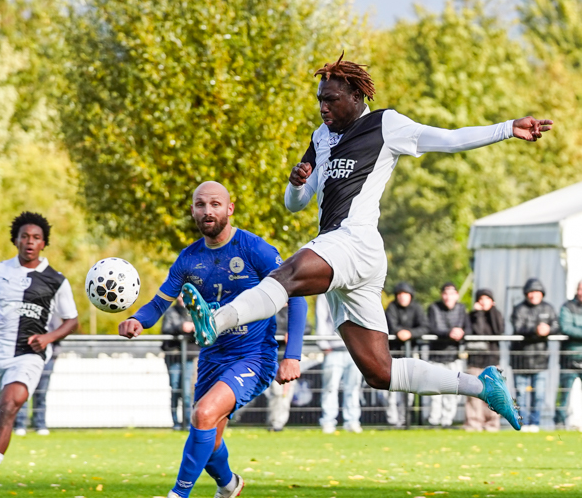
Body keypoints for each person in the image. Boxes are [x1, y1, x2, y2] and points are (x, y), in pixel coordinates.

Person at [183, 54, 552, 431]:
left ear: (357, 96)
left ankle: (218, 319)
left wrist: (508, 127)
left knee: (287, 275)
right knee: (380, 371)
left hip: (355, 241)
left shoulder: (386, 125)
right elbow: (295, 205)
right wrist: (295, 184)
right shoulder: (321, 137)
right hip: (341, 252)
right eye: (320, 100)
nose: (323, 108)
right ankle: (482, 386)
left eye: (331, 100)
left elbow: (450, 140)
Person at [118, 181, 307, 498]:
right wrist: (137, 321)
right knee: (210, 440)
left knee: (203, 414)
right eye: (200, 204)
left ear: (229, 209)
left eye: (215, 204)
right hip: (213, 357)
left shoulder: (255, 250)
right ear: (193, 210)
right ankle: (229, 485)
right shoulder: (189, 258)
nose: (208, 211)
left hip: (253, 355)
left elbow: (297, 295)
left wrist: (291, 355)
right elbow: (159, 303)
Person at [0, 212, 79, 496]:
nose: (30, 242)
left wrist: (49, 337)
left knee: (9, 405)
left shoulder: (56, 280)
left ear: (44, 244)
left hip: (27, 354)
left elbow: (72, 321)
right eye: (25, 236)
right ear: (15, 240)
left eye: (36, 238)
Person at [511, 278, 559, 431]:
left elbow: (557, 325)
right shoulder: (519, 309)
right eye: (530, 292)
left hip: (541, 360)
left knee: (539, 395)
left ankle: (535, 424)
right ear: (526, 294)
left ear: (542, 293)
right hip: (521, 360)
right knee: (521, 396)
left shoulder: (549, 308)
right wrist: (536, 330)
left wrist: (549, 330)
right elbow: (518, 327)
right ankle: (523, 424)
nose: (533, 295)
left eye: (536, 292)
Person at [317, 293, 363, 433]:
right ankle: (328, 421)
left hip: (354, 349)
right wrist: (323, 344)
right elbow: (321, 318)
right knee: (330, 387)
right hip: (333, 349)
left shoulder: (358, 292)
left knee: (354, 388)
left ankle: (352, 421)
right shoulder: (325, 294)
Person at [426, 282, 470, 427]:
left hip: (454, 357)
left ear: (456, 295)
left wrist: (461, 333)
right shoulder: (433, 308)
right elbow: (432, 328)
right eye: (445, 293)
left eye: (451, 293)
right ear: (442, 295)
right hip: (436, 357)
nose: (448, 297)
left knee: (453, 391)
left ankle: (447, 421)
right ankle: (434, 421)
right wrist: (449, 333)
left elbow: (468, 329)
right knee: (435, 391)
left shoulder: (462, 309)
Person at [384, 281, 426, 426]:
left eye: (405, 294)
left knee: (408, 389)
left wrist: (410, 333)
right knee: (391, 390)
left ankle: (405, 419)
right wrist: (399, 332)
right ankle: (393, 421)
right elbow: (390, 325)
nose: (402, 297)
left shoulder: (417, 308)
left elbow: (424, 327)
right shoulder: (391, 308)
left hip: (410, 355)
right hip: (392, 355)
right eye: (400, 294)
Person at [14, 313, 62, 436]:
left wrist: (47, 340)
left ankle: (40, 424)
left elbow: (60, 332)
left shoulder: (52, 313)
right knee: (22, 391)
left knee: (41, 393)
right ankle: (20, 424)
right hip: (24, 357)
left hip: (46, 358)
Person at [465, 289, 504, 431]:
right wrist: (479, 314)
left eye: (486, 298)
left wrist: (490, 311)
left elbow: (498, 330)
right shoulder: (472, 316)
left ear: (492, 301)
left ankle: (492, 424)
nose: (483, 301)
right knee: (473, 395)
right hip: (475, 361)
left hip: (492, 361)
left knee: (493, 394)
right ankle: (474, 424)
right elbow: (478, 332)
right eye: (480, 298)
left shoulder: (497, 314)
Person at [161, 295, 197, 430]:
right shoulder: (171, 312)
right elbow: (166, 329)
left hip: (189, 356)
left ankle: (188, 422)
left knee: (187, 391)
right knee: (176, 388)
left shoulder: (194, 311)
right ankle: (176, 423)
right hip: (174, 356)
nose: (182, 298)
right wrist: (181, 327)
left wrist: (194, 327)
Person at [558, 280, 582, 428]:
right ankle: (559, 425)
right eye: (580, 289)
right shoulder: (568, 307)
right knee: (564, 396)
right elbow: (566, 327)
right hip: (570, 357)